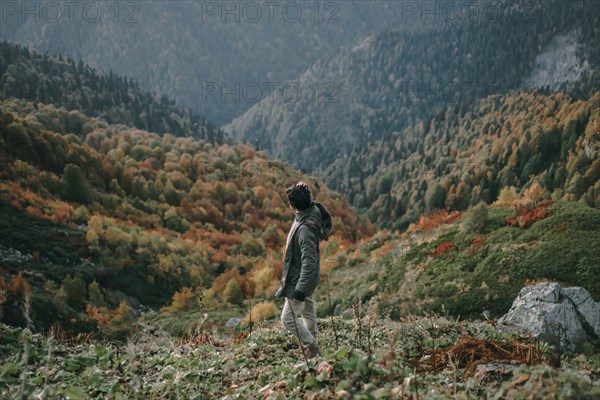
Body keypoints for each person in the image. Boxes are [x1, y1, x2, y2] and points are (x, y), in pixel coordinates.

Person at [275, 181, 323, 358]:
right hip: (309, 279)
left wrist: (299, 290)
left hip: (300, 280)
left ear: (293, 205)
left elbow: (309, 263)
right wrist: (304, 189)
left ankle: (312, 346)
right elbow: (311, 202)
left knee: (287, 319)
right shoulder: (310, 212)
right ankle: (313, 350)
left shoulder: (305, 230)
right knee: (308, 311)